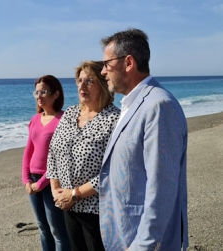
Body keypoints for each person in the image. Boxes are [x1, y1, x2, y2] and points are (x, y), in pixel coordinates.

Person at [98, 28, 189, 250]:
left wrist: (143, 245)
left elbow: (162, 187)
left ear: (128, 63)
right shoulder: (132, 104)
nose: (102, 72)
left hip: (140, 242)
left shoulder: (158, 106)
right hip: (122, 234)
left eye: (107, 64)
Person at [46, 61, 120, 251]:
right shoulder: (70, 113)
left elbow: (115, 170)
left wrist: (75, 194)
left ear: (103, 84)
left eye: (89, 81)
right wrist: (56, 191)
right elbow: (53, 152)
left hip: (97, 209)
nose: (82, 86)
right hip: (67, 206)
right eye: (79, 81)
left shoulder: (114, 119)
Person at [21, 75, 71, 251]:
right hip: (33, 182)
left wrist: (41, 183)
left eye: (44, 91)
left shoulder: (64, 120)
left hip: (52, 182)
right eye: (36, 92)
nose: (39, 96)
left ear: (56, 94)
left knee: (58, 231)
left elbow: (62, 159)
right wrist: (26, 180)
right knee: (43, 229)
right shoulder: (35, 119)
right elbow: (28, 151)